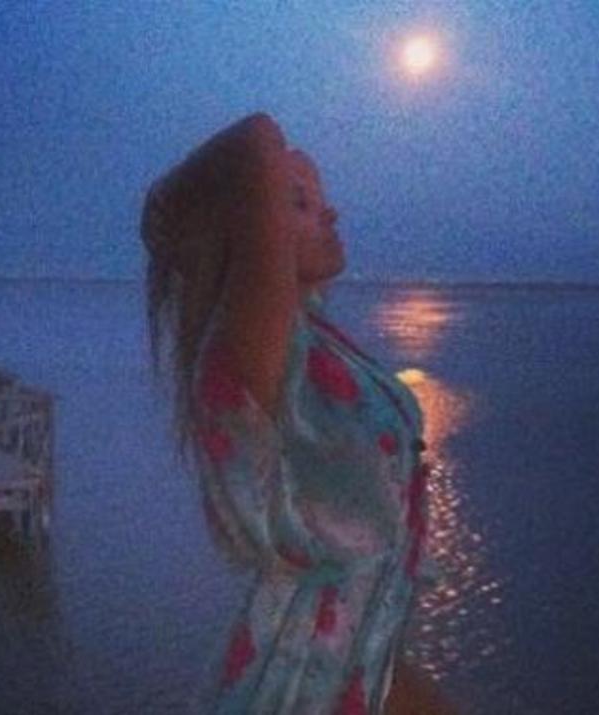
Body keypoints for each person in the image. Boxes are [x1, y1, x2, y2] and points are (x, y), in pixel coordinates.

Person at [141, 113, 453, 714]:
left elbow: (361, 618)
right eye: (299, 203)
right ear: (251, 230)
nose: (330, 213)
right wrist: (175, 211)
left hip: (353, 669)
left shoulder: (316, 346)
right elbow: (258, 136)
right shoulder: (254, 342)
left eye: (320, 198)